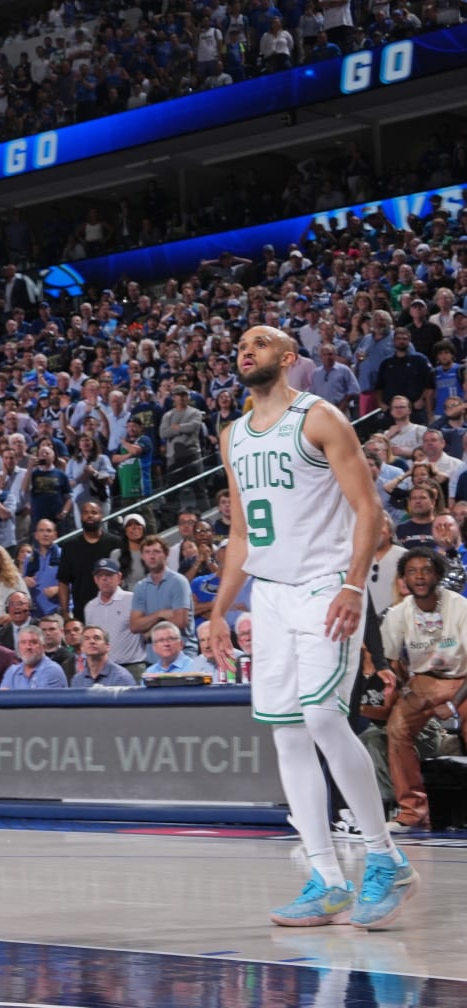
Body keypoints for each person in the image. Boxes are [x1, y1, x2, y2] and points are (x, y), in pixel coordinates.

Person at [208, 326, 417, 928]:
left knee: (324, 716)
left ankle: (386, 859)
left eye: (261, 343)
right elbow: (242, 533)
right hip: (269, 595)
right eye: (241, 344)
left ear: (289, 358)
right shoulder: (233, 437)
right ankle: (327, 878)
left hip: (326, 586)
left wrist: (355, 585)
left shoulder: (319, 417)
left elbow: (368, 508)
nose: (246, 349)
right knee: (288, 733)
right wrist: (220, 610)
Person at [379, 547, 467, 833]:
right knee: (398, 729)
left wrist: (453, 704)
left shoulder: (460, 607)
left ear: (438, 575)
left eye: (426, 570)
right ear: (403, 578)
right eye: (412, 571)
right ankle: (412, 809)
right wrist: (403, 686)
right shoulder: (398, 613)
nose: (419, 577)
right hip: (422, 681)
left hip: (461, 680)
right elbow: (390, 660)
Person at [84, 559, 146, 677]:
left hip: (132, 666)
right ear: (95, 580)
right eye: (100, 576)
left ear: (119, 577)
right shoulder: (90, 607)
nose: (104, 579)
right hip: (103, 669)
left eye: (108, 575)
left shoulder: (132, 599)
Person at [0, 624, 68, 689]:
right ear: (18, 647)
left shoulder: (52, 670)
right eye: (23, 642)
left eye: (33, 642)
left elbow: (41, 700)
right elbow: (3, 698)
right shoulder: (12, 671)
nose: (28, 647)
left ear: (43, 647)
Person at [70, 625, 137, 688]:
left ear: (107, 646)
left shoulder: (121, 677)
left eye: (97, 638)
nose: (92, 641)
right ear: (82, 648)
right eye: (87, 639)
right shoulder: (77, 680)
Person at [141, 621, 215, 678]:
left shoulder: (195, 667)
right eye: (161, 640)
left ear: (181, 644)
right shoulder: (150, 672)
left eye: (171, 639)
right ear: (154, 647)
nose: (166, 644)